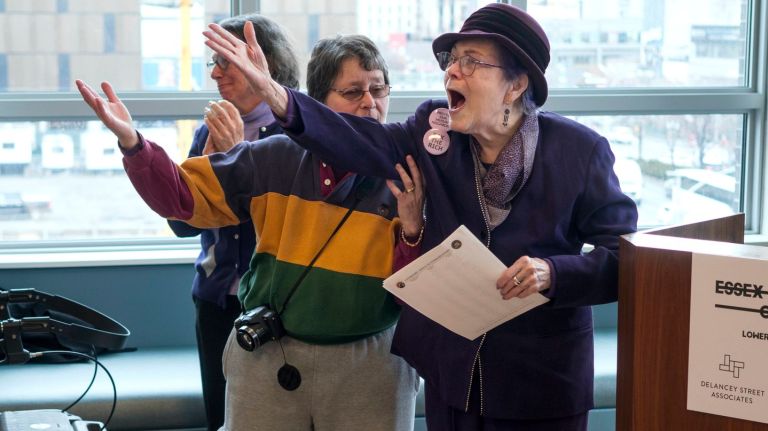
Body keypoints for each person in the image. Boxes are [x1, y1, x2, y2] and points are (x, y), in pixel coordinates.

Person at [203, 3, 639, 430]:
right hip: (453, 380)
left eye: (472, 61)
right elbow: (352, 140)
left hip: (540, 381)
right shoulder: (436, 132)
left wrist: (553, 273)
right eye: (452, 61)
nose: (452, 72)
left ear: (516, 84)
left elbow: (624, 260)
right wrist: (275, 94)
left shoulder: (579, 152)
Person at [76, 34, 420, 431]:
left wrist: (412, 230)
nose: (370, 103)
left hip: (371, 360)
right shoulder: (273, 155)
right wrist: (134, 143)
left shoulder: (408, 172)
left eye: (379, 89)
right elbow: (183, 201)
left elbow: (427, 277)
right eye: (353, 91)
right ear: (318, 104)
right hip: (271, 353)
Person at [165, 14, 300, 431]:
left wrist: (239, 158)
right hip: (217, 303)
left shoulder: (300, 130)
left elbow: (291, 228)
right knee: (221, 419)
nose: (215, 73)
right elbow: (182, 225)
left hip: (283, 309)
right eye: (213, 61)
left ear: (265, 63)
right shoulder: (213, 126)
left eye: (226, 61)